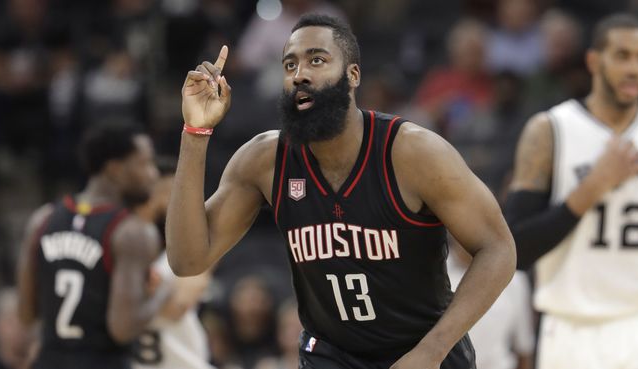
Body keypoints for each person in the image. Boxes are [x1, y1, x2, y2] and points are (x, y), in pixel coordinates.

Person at [167, 14, 516, 369]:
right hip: (330, 355)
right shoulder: (264, 160)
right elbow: (187, 260)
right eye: (290, 64)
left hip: (423, 351)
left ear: (353, 75)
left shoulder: (413, 153)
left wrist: (432, 349)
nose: (300, 73)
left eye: (316, 60)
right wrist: (195, 132)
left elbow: (498, 248)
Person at [505, 13, 638, 369]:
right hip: (572, 328)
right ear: (593, 60)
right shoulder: (550, 131)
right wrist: (592, 188)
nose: (634, 68)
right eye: (622, 55)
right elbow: (515, 252)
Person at [16, 123, 171, 369]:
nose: (153, 174)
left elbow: (25, 313)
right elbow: (123, 328)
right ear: (115, 169)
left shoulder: (42, 219)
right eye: (145, 163)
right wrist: (164, 291)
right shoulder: (133, 232)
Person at [131, 162, 213, 369]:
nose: (174, 202)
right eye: (169, 193)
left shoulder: (189, 251)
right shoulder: (124, 249)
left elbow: (178, 305)